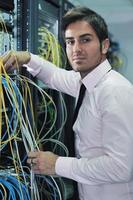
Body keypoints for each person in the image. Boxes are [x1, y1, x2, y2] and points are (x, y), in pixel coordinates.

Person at [2, 6, 133, 200]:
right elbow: (56, 76)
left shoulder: (113, 91)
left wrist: (57, 164)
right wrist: (27, 58)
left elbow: (121, 168)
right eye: (70, 42)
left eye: (85, 40)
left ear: (104, 46)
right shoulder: (87, 83)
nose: (77, 49)